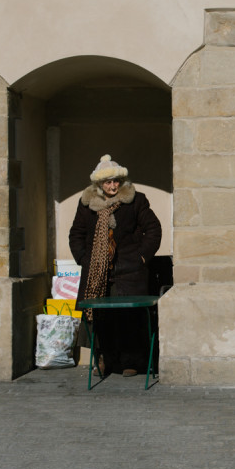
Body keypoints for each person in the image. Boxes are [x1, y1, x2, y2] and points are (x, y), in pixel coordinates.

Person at [69, 154, 162, 377]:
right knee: (101, 319)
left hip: (129, 271)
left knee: (128, 319)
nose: (112, 186)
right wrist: (84, 259)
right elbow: (77, 234)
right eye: (108, 182)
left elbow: (153, 230)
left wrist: (141, 258)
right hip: (97, 273)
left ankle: (132, 361)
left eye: (116, 181)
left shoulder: (136, 201)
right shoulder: (87, 205)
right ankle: (104, 359)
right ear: (99, 185)